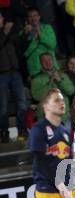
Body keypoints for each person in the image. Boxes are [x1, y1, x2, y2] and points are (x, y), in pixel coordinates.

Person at [0, 10, 27, 142]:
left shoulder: (10, 32)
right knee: (3, 106)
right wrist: (5, 33)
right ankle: (3, 133)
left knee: (22, 104)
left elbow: (20, 46)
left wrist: (25, 34)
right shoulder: (5, 32)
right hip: (1, 74)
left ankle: (22, 130)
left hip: (16, 72)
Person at [31, 52, 75, 131]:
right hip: (46, 119)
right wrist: (50, 82)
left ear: (53, 61)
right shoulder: (36, 79)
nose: (48, 63)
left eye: (49, 60)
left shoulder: (62, 75)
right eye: (45, 61)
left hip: (64, 117)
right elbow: (36, 96)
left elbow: (71, 91)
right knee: (50, 143)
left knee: (65, 143)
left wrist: (60, 81)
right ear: (41, 63)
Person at [20, 7, 58, 77]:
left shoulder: (47, 28)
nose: (33, 18)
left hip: (50, 66)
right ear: (27, 19)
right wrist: (26, 35)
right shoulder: (23, 32)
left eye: (35, 15)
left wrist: (40, 35)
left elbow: (53, 45)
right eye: (30, 16)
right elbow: (24, 53)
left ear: (39, 16)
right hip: (35, 68)